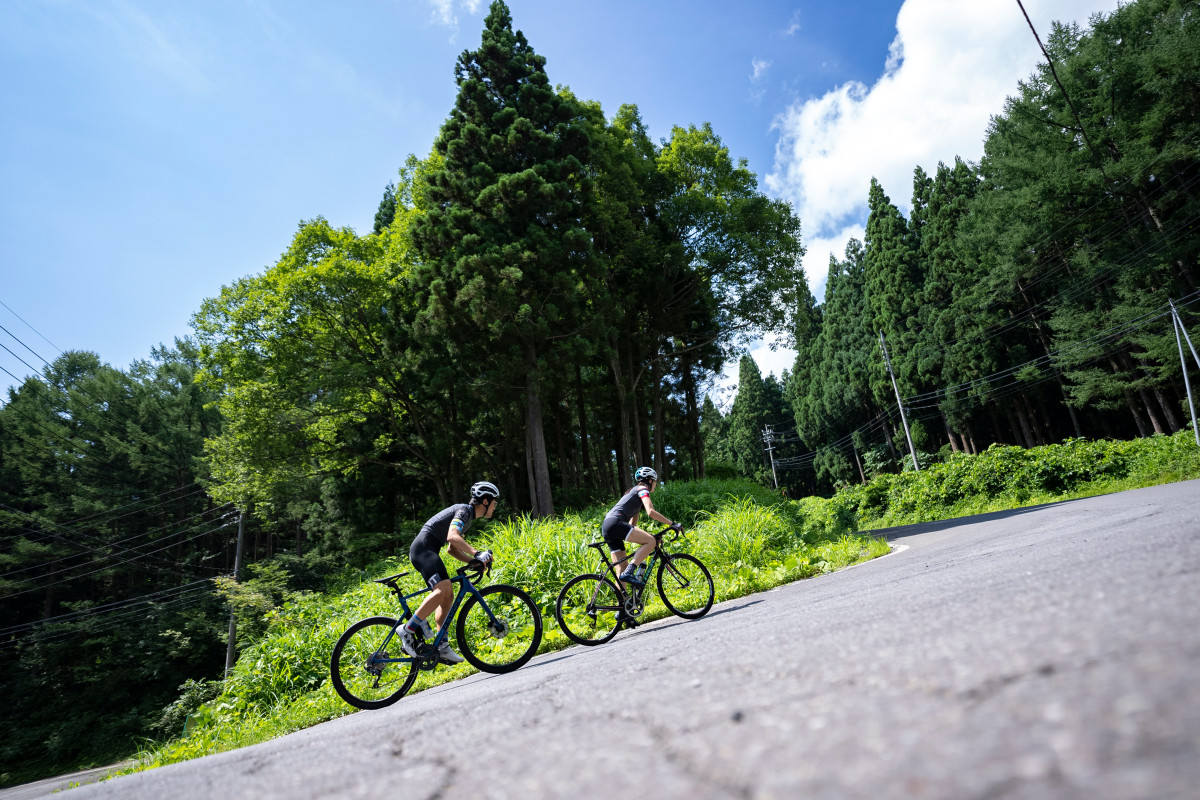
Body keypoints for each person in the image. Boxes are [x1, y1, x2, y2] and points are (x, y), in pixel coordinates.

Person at [399, 480, 500, 664]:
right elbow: (452, 536)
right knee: (443, 589)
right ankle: (408, 630)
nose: (495, 506)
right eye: (494, 502)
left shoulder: (468, 518)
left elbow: (451, 549)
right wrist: (477, 553)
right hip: (423, 549)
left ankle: (441, 645)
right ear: (485, 501)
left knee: (448, 595)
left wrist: (473, 561)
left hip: (428, 550)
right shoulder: (464, 511)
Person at [602, 466, 681, 588]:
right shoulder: (643, 490)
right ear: (650, 480)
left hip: (607, 526)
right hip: (615, 523)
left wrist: (647, 538)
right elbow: (650, 512)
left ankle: (623, 605)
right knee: (650, 542)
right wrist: (672, 524)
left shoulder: (633, 495)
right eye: (655, 481)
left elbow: (632, 527)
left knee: (621, 570)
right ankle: (630, 571)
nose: (656, 484)